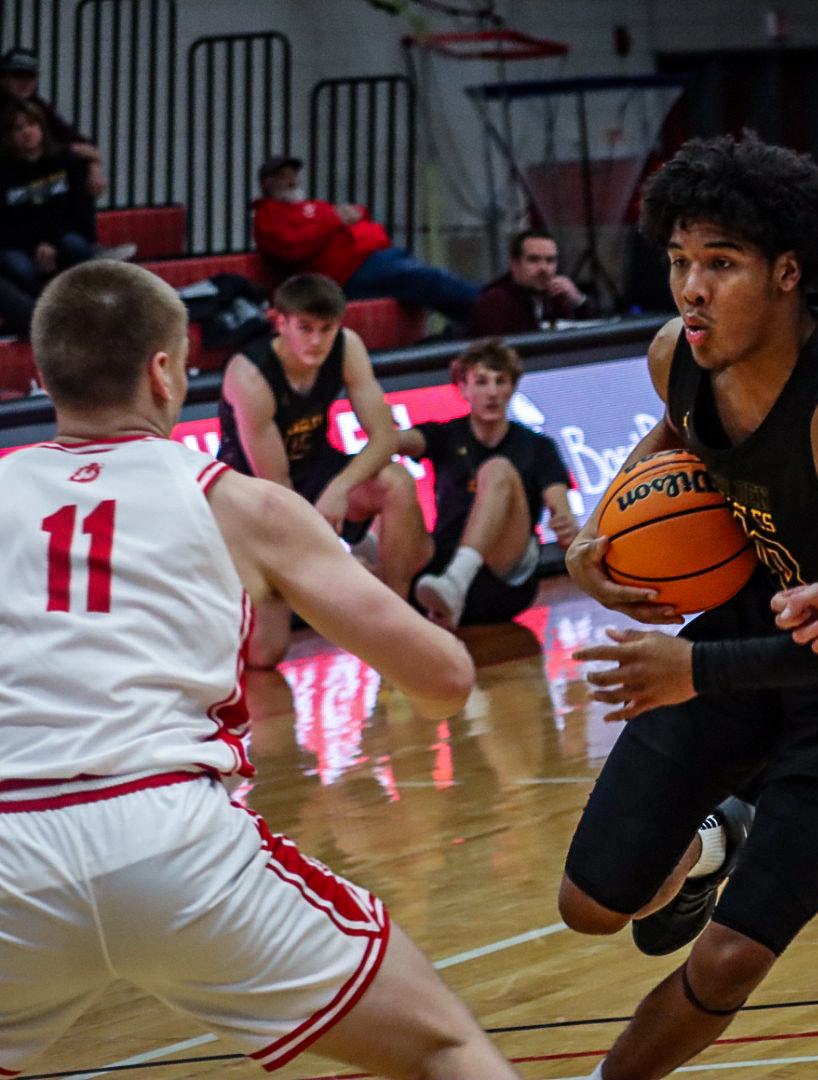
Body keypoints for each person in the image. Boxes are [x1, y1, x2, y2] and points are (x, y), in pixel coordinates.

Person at [0, 260, 515, 1078]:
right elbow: (445, 679)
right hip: (167, 837)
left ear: (40, 374)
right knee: (446, 1048)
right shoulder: (233, 500)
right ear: (165, 372)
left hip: (8, 854)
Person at [554, 134, 818, 1080]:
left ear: (786, 273)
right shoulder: (676, 358)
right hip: (738, 640)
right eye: (681, 262)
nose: (691, 288)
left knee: (727, 959)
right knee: (592, 905)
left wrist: (695, 670)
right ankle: (715, 836)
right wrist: (588, 549)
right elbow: (663, 450)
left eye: (720, 265)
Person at [215, 272, 432, 667]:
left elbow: (385, 437)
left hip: (316, 470)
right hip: (252, 495)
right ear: (279, 323)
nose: (316, 341)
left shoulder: (347, 347)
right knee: (266, 654)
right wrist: (335, 556)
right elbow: (276, 487)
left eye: (326, 329)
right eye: (305, 329)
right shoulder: (249, 375)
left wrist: (339, 488)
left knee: (395, 481)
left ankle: (396, 622)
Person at [397, 337, 579, 628]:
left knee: (496, 469)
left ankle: (458, 578)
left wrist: (567, 524)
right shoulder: (445, 434)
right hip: (439, 572)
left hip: (505, 577)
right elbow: (399, 441)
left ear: (513, 387)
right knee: (392, 480)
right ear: (463, 388)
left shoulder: (537, 446)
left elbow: (560, 506)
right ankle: (383, 601)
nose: (492, 392)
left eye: (501, 381)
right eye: (481, 382)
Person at [252, 156, 479, 322]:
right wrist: (336, 220)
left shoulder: (313, 207)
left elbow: (354, 218)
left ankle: (476, 317)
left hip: (375, 258)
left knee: (429, 282)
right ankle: (489, 307)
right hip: (349, 273)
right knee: (432, 279)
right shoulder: (269, 216)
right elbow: (292, 246)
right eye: (283, 177)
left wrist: (350, 215)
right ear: (267, 184)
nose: (292, 181)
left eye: (293, 176)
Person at [0, 101, 124, 308]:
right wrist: (36, 245)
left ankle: (86, 306)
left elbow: (77, 209)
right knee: (22, 269)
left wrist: (50, 241)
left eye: (31, 125)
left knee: (75, 247)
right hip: (16, 242)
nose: (27, 132)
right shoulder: (4, 171)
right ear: (9, 136)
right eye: (18, 128)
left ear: (42, 128)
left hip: (59, 234)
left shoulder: (64, 161)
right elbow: (6, 223)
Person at [0, 46, 104, 197]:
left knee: (76, 168)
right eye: (17, 75)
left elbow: (80, 143)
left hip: (30, 182)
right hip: (10, 183)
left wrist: (95, 165)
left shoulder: (36, 105)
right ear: (3, 78)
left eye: (30, 76)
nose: (24, 82)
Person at [466, 229, 591, 337]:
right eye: (534, 260)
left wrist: (578, 300)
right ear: (514, 265)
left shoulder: (557, 296)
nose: (544, 268)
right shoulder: (494, 302)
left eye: (550, 260)